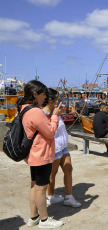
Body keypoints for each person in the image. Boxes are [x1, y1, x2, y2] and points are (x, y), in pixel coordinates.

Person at [18, 80, 63, 228]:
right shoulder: (36, 112)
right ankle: (44, 220)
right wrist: (55, 115)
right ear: (35, 94)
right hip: (42, 153)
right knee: (41, 188)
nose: (44, 97)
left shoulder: (24, 108)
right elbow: (50, 132)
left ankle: (34, 216)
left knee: (34, 186)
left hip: (33, 153)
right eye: (43, 94)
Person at [43, 88, 81, 208]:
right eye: (57, 99)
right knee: (52, 174)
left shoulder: (56, 111)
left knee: (68, 169)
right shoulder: (44, 113)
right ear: (50, 100)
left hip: (63, 146)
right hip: (54, 147)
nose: (59, 101)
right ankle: (50, 196)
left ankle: (69, 197)